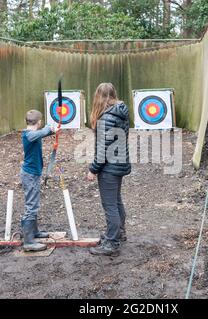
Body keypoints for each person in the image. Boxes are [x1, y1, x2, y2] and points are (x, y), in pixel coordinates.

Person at [87, 83, 131, 257]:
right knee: (116, 201)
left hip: (110, 167)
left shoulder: (106, 117)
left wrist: (93, 169)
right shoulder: (119, 111)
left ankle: (111, 242)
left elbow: (103, 148)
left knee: (110, 205)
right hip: (119, 163)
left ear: (99, 96)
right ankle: (119, 233)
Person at [20, 110, 58, 252]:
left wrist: (53, 130)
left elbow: (42, 133)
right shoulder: (28, 134)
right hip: (29, 175)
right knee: (31, 205)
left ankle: (34, 232)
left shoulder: (34, 134)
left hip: (33, 174)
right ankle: (28, 242)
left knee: (34, 202)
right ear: (39, 122)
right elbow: (37, 134)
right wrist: (49, 128)